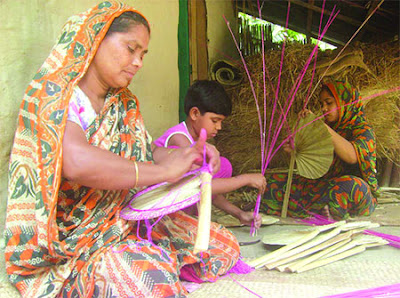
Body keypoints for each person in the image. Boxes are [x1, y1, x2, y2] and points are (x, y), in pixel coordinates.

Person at [4, 2, 241, 297]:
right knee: (150, 280)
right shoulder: (54, 93)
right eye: (131, 49)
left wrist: (189, 155)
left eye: (142, 54)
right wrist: (165, 171)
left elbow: (144, 154)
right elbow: (76, 162)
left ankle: (145, 257)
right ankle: (119, 267)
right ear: (97, 38)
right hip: (73, 239)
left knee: (224, 245)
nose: (138, 62)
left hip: (122, 219)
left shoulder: (124, 103)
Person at [155, 80, 266, 228]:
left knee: (222, 165)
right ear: (195, 113)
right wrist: (244, 179)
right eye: (215, 120)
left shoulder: (199, 143)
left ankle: (189, 220)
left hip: (185, 200)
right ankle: (180, 222)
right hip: (160, 213)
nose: (219, 127)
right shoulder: (179, 140)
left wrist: (239, 214)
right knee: (219, 167)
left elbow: (207, 191)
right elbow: (200, 186)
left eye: (221, 121)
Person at [261, 79, 379, 219]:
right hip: (326, 185)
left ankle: (328, 212)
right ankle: (324, 211)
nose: (324, 109)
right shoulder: (328, 128)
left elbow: (352, 156)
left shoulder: (363, 130)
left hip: (355, 193)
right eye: (322, 104)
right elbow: (314, 163)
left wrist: (321, 127)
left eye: (329, 103)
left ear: (345, 103)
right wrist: (294, 151)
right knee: (275, 181)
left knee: (350, 186)